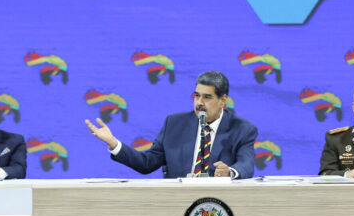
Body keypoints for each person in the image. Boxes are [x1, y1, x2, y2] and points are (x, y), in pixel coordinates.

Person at [85, 71, 256, 178]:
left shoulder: (242, 129)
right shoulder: (174, 124)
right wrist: (114, 143)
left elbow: (246, 164)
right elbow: (147, 163)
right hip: (177, 204)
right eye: (197, 96)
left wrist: (230, 172)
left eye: (207, 97)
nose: (199, 102)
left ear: (223, 101)